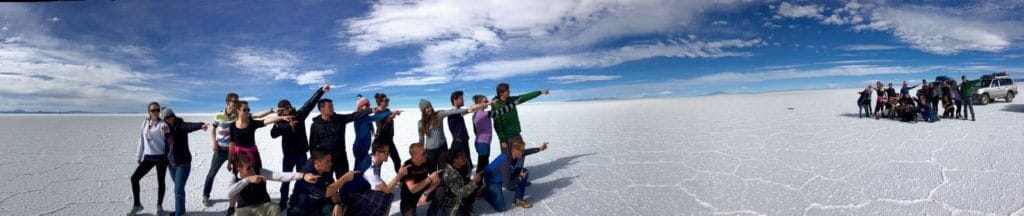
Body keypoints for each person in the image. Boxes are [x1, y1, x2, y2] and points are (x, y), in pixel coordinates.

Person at [204, 93, 272, 209]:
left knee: (237, 176)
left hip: (235, 151)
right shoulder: (218, 115)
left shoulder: (239, 114)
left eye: (237, 101)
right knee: (211, 173)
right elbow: (213, 129)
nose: (236, 103)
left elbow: (257, 115)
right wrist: (214, 142)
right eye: (234, 101)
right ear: (228, 103)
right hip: (220, 149)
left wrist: (271, 110)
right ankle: (206, 195)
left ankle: (238, 202)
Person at [270, 84, 329, 210]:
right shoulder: (281, 120)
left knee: (303, 179)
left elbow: (310, 103)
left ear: (289, 108)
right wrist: (286, 125)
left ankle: (297, 200)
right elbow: (273, 134)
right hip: (288, 155)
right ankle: (282, 202)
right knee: (285, 179)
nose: (280, 112)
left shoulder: (299, 115)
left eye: (282, 110)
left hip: (301, 154)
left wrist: (321, 91)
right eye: (279, 110)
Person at [227, 154, 319, 216]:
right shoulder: (235, 177)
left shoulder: (259, 171)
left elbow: (279, 176)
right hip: (245, 209)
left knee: (275, 208)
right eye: (248, 168)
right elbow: (230, 193)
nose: (251, 169)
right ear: (239, 169)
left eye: (251, 166)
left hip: (264, 206)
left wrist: (302, 175)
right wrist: (247, 180)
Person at [226, 101, 295, 181]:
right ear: (238, 110)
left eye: (248, 109)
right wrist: (229, 160)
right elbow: (232, 144)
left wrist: (281, 118)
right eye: (245, 110)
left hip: (252, 156)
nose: (247, 111)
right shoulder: (232, 126)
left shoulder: (251, 123)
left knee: (258, 177)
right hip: (238, 156)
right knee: (239, 178)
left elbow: (265, 121)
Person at [309, 97, 375, 179]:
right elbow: (313, 145)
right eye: (330, 107)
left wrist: (370, 110)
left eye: (332, 106)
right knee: (327, 183)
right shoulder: (316, 125)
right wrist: (315, 161)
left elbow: (353, 116)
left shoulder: (339, 119)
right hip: (326, 159)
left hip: (341, 157)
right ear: (322, 109)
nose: (333, 108)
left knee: (344, 181)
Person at [342, 140, 410, 216]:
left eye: (388, 151)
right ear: (377, 153)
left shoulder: (373, 157)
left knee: (382, 196)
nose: (388, 154)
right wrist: (400, 174)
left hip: (357, 190)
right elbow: (387, 189)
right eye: (386, 152)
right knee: (385, 198)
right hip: (352, 196)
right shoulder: (371, 171)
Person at [418, 99, 488, 172]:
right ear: (422, 111)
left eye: (429, 107)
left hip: (442, 148)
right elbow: (421, 139)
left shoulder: (438, 115)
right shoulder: (420, 123)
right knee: (432, 171)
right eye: (426, 108)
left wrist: (466, 110)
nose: (429, 109)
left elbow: (451, 111)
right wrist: (420, 152)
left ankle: (444, 183)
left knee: (443, 169)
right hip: (430, 151)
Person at [162, 107, 209, 216]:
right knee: (179, 189)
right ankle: (181, 210)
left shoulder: (180, 125)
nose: (171, 118)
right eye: (167, 117)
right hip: (171, 164)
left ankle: (179, 213)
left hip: (183, 163)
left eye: (172, 116)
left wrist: (201, 125)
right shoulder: (163, 128)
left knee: (178, 190)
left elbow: (189, 126)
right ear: (164, 119)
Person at [481, 139, 550, 211]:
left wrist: (539, 149)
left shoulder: (514, 153)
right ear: (515, 150)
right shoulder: (506, 162)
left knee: (524, 172)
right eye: (522, 150)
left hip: (504, 176)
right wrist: (519, 178)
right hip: (492, 180)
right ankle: (484, 192)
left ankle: (518, 199)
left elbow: (526, 152)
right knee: (501, 208)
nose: (523, 152)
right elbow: (508, 186)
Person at [287, 149, 361, 216]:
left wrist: (338, 204)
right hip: (299, 210)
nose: (331, 164)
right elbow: (327, 192)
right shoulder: (308, 175)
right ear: (317, 163)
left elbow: (334, 192)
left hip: (317, 207)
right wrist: (345, 178)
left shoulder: (325, 170)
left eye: (330, 160)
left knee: (340, 209)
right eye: (327, 161)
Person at [129, 102, 170, 216]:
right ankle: (137, 205)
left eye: (157, 110)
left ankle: (159, 207)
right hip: (149, 157)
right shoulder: (145, 123)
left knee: (161, 182)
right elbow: (141, 140)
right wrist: (139, 155)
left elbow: (169, 142)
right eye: (153, 110)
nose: (155, 112)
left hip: (161, 157)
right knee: (134, 178)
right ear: (149, 112)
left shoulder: (163, 124)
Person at [491, 83, 550, 160]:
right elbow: (497, 124)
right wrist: (502, 140)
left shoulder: (512, 100)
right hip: (506, 136)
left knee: (520, 153)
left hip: (516, 133)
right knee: (507, 158)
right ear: (501, 92)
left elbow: (525, 97)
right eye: (507, 91)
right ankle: (508, 172)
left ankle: (518, 170)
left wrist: (540, 92)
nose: (509, 92)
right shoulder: (496, 105)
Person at [352, 94, 398, 169]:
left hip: (365, 147)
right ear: (360, 106)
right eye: (366, 105)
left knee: (362, 168)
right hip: (360, 147)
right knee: (359, 169)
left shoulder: (365, 117)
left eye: (369, 105)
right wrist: (390, 113)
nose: (368, 106)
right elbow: (376, 117)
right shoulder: (359, 117)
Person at [399, 143, 440, 216]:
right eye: (423, 153)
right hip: (409, 196)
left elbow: (437, 180)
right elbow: (412, 189)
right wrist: (429, 179)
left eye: (425, 152)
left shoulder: (427, 161)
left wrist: (426, 193)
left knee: (441, 190)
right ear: (416, 156)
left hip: (422, 191)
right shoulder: (407, 166)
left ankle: (432, 212)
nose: (426, 155)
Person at [440, 150, 484, 216]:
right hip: (450, 203)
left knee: (472, 185)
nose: (465, 159)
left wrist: (474, 184)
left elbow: (463, 181)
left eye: (465, 156)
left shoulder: (462, 166)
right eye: (462, 158)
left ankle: (466, 205)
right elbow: (459, 193)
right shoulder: (450, 173)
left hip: (457, 196)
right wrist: (474, 182)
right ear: (455, 160)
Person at [373, 93, 403, 173]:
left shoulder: (387, 110)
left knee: (397, 160)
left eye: (388, 100)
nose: (387, 102)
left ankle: (401, 181)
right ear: (380, 102)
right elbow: (381, 129)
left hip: (389, 140)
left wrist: (396, 112)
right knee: (378, 163)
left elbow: (390, 114)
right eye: (386, 100)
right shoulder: (377, 113)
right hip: (381, 141)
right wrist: (389, 120)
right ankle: (377, 183)